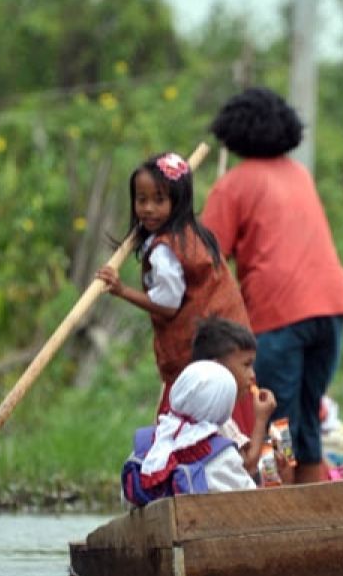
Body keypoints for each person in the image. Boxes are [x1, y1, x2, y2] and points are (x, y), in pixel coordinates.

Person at [202, 88, 343, 484]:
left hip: (280, 312)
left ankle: (282, 521)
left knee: (277, 424)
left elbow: (205, 258)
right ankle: (314, 515)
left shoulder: (233, 185)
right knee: (306, 419)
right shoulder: (298, 175)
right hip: (332, 308)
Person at [97, 152, 251, 409]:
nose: (148, 209)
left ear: (177, 201)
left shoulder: (166, 249)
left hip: (202, 359)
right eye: (141, 199)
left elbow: (168, 305)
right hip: (228, 348)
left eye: (159, 200)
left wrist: (121, 290)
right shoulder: (192, 233)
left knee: (192, 426)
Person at [121, 360, 256, 507]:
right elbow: (250, 497)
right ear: (223, 407)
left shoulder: (149, 445)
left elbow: (125, 498)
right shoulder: (222, 455)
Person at [191, 316, 294, 483]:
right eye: (246, 365)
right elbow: (248, 465)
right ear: (217, 368)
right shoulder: (216, 417)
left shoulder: (197, 408)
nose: (253, 375)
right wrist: (261, 419)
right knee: (282, 460)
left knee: (281, 451)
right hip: (221, 497)